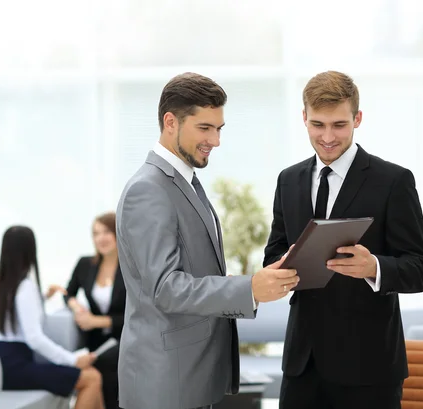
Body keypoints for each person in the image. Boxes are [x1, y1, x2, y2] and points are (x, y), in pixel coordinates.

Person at [115, 72, 299, 409]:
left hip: (187, 379)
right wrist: (248, 290)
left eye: (219, 129)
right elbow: (165, 288)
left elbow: (189, 272)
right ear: (170, 122)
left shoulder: (184, 182)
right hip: (165, 385)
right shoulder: (148, 190)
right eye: (205, 128)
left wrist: (245, 283)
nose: (215, 140)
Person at [263, 70, 423, 409]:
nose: (327, 136)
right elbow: (274, 252)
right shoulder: (288, 180)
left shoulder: (393, 181)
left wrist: (374, 267)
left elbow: (420, 269)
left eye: (339, 125)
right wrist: (281, 266)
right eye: (318, 124)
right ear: (304, 118)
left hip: (369, 368)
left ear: (357, 118)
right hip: (302, 365)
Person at [0, 226, 105, 409]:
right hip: (15, 367)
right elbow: (34, 338)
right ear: (30, 251)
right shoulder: (26, 286)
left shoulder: (0, 283)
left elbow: (16, 312)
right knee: (92, 378)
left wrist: (42, 297)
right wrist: (72, 359)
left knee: (91, 378)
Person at [48, 212, 125, 409]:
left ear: (119, 232)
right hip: (96, 340)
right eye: (96, 233)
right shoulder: (85, 264)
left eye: (106, 231)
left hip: (126, 337)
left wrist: (97, 321)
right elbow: (68, 293)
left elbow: (140, 314)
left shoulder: (130, 268)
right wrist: (75, 307)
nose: (101, 238)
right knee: (93, 365)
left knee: (103, 365)